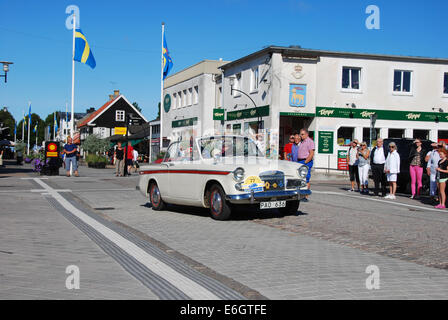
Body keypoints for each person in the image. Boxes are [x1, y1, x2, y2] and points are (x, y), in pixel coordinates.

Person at [297, 129, 315, 201]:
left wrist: (305, 162)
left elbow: (311, 154)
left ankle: (305, 196)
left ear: (307, 134)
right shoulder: (302, 142)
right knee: (300, 179)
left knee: (306, 179)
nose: (301, 136)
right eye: (300, 134)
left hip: (306, 161)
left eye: (302, 134)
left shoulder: (310, 142)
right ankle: (301, 195)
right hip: (300, 161)